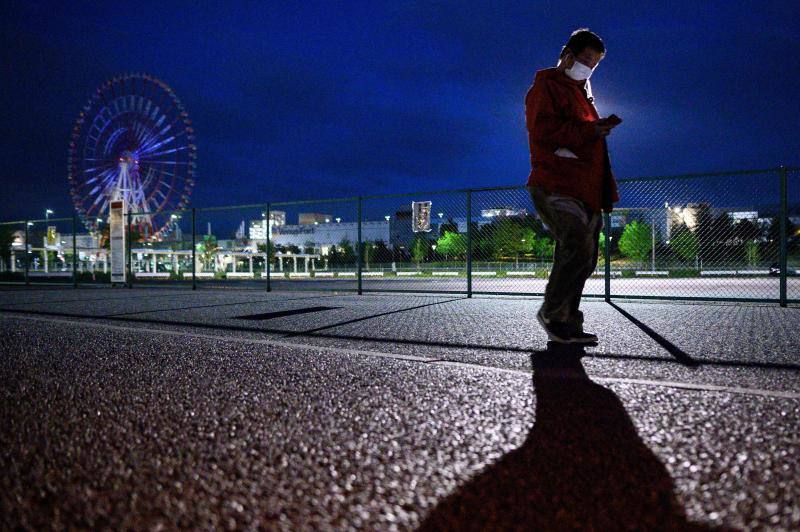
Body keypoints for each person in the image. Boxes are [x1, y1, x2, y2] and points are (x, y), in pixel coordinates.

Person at [525, 28, 620, 344]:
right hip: (556, 183)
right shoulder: (546, 87)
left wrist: (596, 130)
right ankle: (554, 314)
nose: (590, 68)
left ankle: (566, 321)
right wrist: (591, 132)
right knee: (577, 245)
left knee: (586, 255)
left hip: (585, 189)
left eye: (595, 64)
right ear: (568, 56)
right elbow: (545, 130)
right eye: (586, 60)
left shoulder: (583, 95)